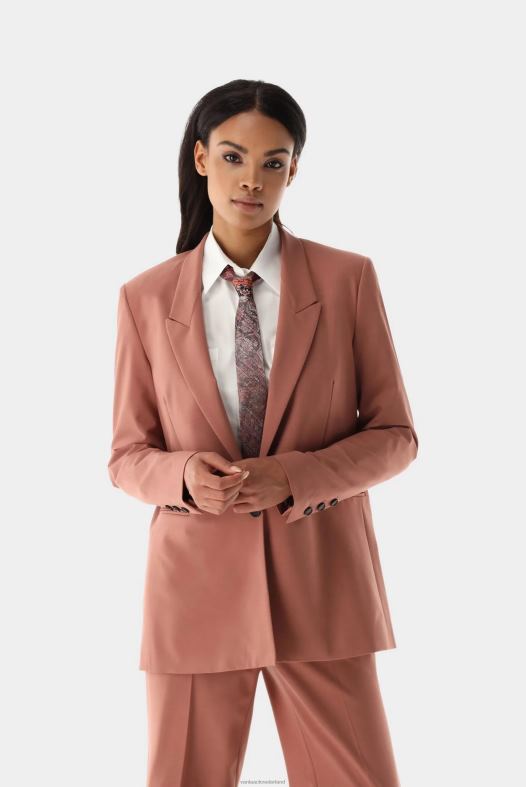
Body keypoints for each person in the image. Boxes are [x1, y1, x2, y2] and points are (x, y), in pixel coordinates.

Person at [107, 78, 419, 787]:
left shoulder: (347, 279)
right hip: (194, 593)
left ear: (294, 170)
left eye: (273, 162)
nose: (252, 178)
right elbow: (127, 455)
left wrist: (295, 477)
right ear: (200, 159)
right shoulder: (145, 298)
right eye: (232, 156)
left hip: (323, 584)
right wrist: (184, 475)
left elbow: (396, 434)